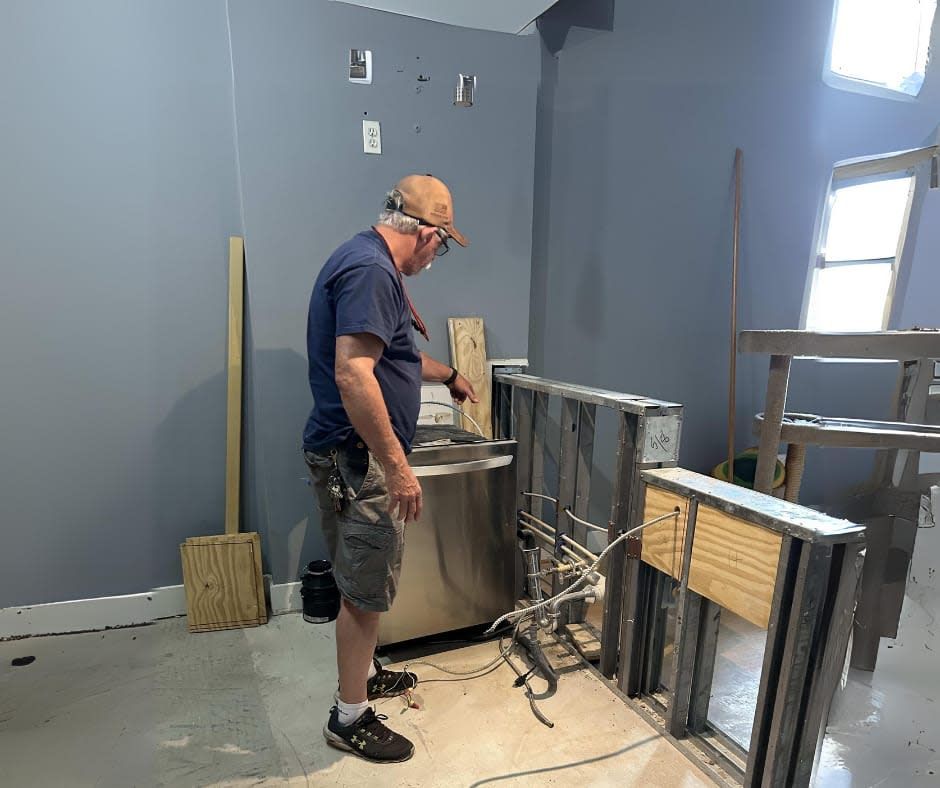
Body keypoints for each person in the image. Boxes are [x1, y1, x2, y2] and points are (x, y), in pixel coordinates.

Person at [302, 174, 478, 763]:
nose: (438, 254)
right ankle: (348, 716)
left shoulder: (368, 261)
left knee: (359, 579)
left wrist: (450, 375)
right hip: (360, 459)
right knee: (365, 594)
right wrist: (398, 468)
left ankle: (363, 676)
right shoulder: (373, 272)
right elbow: (355, 373)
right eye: (443, 241)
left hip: (345, 454)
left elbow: (397, 356)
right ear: (425, 232)